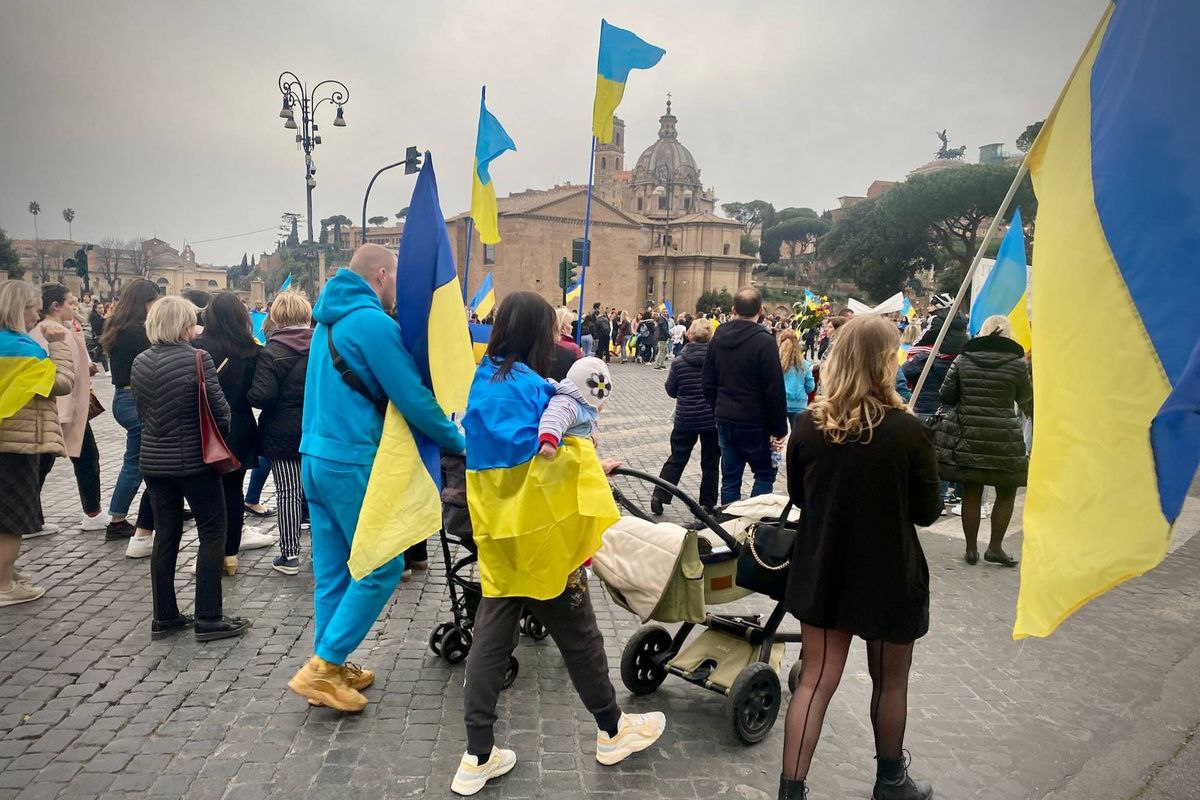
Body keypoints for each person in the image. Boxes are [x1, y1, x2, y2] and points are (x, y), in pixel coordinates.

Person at [454, 291, 664, 796]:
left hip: (499, 535)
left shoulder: (482, 380)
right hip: (541, 538)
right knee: (580, 635)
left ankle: (475, 755)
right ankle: (612, 731)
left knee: (489, 637)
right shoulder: (530, 387)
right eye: (549, 331)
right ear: (535, 335)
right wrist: (594, 462)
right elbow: (548, 460)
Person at [288, 244, 465, 712]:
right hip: (352, 461)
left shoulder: (328, 319)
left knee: (332, 572)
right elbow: (413, 398)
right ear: (382, 274)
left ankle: (331, 665)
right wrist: (458, 439)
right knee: (384, 564)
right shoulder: (372, 324)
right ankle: (324, 667)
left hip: (315, 457)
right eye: (397, 280)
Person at [779, 316, 941, 800]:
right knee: (890, 683)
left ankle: (791, 792)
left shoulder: (810, 425)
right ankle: (890, 780)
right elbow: (928, 512)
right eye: (894, 353)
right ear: (882, 363)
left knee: (815, 681)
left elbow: (799, 495)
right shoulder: (908, 431)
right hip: (888, 572)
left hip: (825, 567)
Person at [131, 296, 249, 641]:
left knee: (166, 534)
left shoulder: (140, 361)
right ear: (184, 325)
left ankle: (164, 615)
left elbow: (143, 412)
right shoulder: (199, 358)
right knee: (213, 532)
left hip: (153, 461)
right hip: (194, 462)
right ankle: (209, 616)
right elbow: (221, 413)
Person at [933, 315, 1032, 567]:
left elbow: (946, 394)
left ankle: (970, 549)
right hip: (1004, 436)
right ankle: (995, 547)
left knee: (972, 491)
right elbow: (1026, 399)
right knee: (1007, 490)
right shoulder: (1017, 363)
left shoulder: (963, 359)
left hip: (968, 433)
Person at [0, 281, 74, 606]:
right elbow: (60, 382)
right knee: (12, 521)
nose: (36, 314)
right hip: (17, 444)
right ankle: (4, 586)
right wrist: (58, 344)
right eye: (32, 307)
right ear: (19, 309)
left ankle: (6, 574)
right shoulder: (23, 349)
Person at [193, 293, 274, 571]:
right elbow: (257, 393)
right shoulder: (252, 349)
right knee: (233, 492)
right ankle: (230, 555)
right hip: (238, 425)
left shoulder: (197, 347)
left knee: (206, 494)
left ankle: (209, 553)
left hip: (205, 426)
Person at [30, 284, 107, 535]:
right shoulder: (47, 332)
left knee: (58, 461)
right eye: (70, 303)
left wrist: (87, 366)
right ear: (55, 306)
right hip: (62, 408)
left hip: (68, 407)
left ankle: (34, 516)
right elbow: (52, 370)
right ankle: (91, 512)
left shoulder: (59, 329)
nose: (74, 308)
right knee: (58, 461)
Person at [702, 287, 788, 504]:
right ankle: (753, 525)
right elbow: (774, 389)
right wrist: (779, 428)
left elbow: (707, 381)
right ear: (760, 311)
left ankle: (728, 526)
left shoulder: (718, 335)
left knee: (730, 478)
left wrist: (717, 407)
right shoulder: (765, 342)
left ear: (733, 309)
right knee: (764, 474)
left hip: (725, 417)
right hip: (755, 421)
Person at [248, 292, 313, 575]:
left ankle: (289, 555)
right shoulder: (321, 345)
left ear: (277, 317)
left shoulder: (271, 351)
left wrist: (248, 392)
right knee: (317, 490)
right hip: (317, 428)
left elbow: (262, 396)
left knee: (288, 491)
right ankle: (324, 552)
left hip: (282, 431)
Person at [100, 279, 160, 545]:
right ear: (143, 302)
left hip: (123, 398)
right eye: (152, 301)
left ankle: (155, 508)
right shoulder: (137, 332)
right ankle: (117, 520)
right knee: (136, 463)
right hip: (133, 399)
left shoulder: (118, 326)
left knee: (143, 460)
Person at [651, 318, 719, 515]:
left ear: (689, 335)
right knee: (710, 462)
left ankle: (659, 495)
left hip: (685, 418)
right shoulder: (716, 361)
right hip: (710, 418)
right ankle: (707, 504)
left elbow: (671, 390)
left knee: (677, 458)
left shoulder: (679, 361)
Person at [778, 329, 815, 433]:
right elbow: (810, 386)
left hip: (779, 402)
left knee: (776, 435)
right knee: (797, 433)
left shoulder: (776, 363)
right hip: (799, 403)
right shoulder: (804, 364)